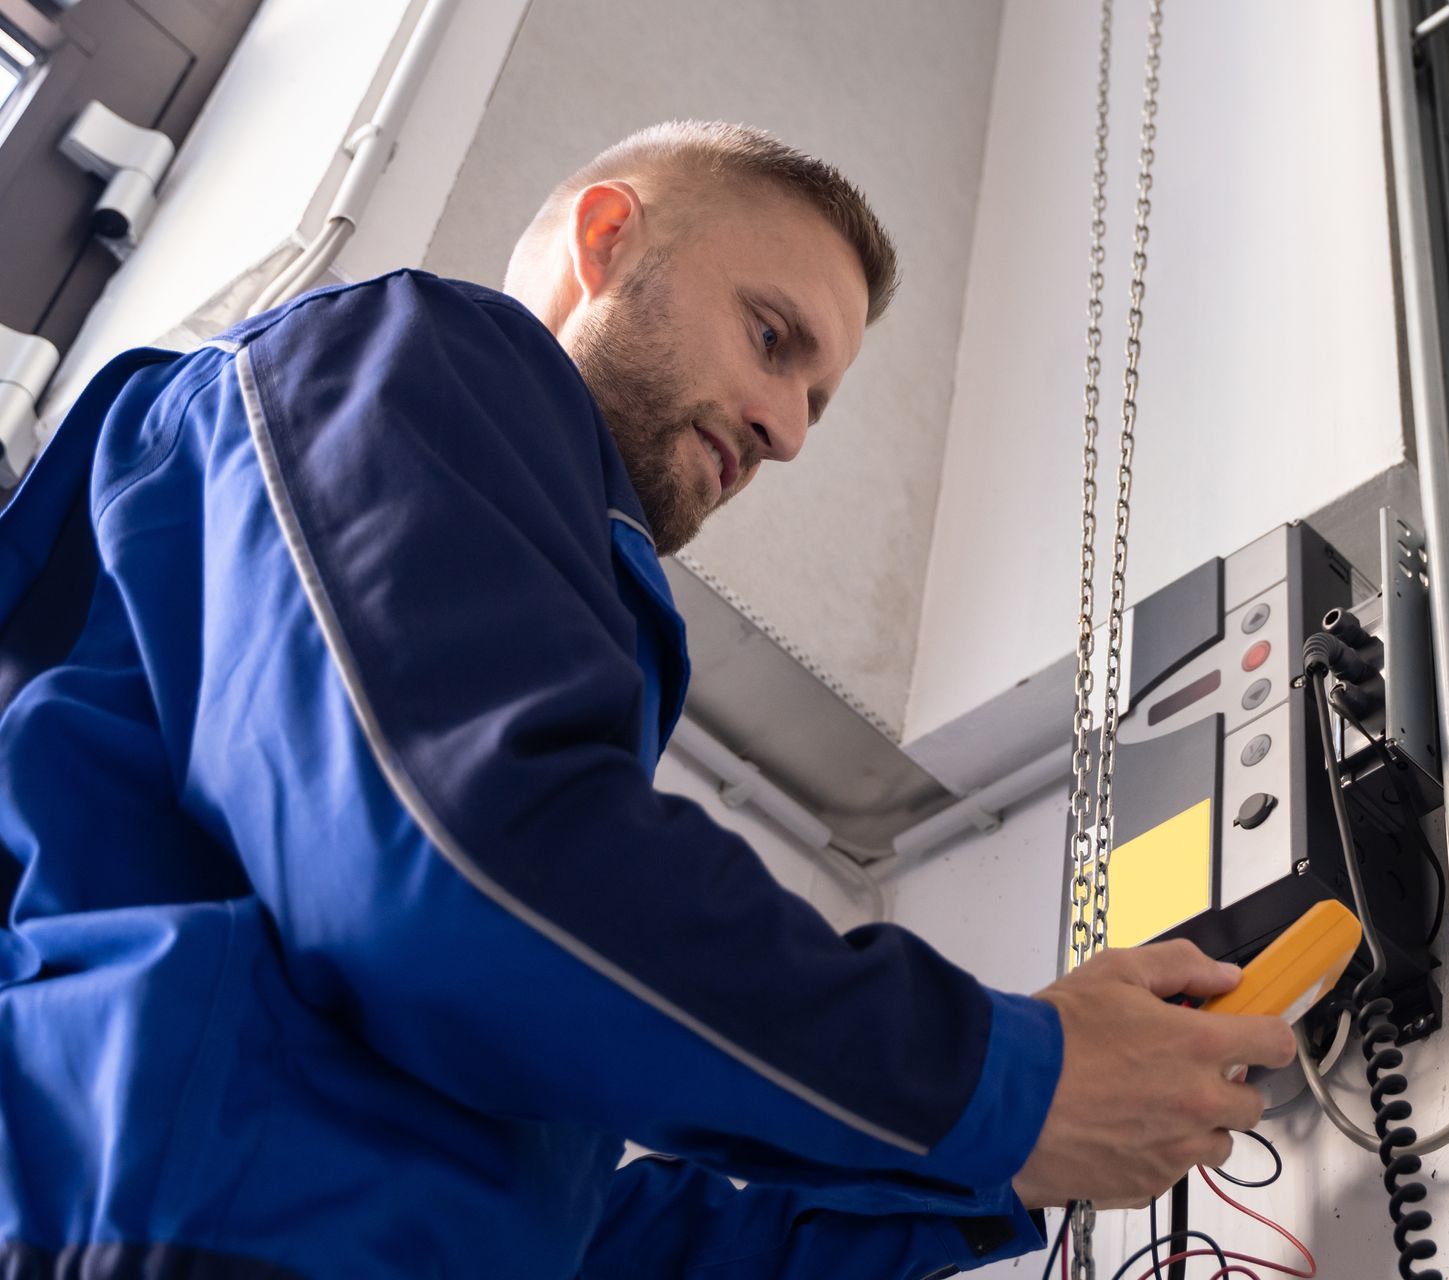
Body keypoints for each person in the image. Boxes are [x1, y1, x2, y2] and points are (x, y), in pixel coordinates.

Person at [0, 121, 1294, 1278]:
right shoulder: (409, 351)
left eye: (816, 404)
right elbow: (463, 868)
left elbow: (581, 1244)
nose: (787, 428)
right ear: (608, 241)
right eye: (773, 338)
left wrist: (1005, 1168)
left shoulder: (491, 788)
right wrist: (1007, 1080)